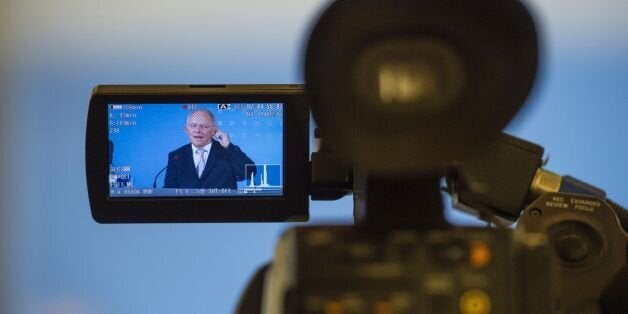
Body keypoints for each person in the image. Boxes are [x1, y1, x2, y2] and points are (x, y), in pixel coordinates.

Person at [164, 109, 255, 189]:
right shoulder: (176, 156)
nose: (197, 130)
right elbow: (169, 190)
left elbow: (249, 173)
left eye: (204, 126)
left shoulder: (227, 151)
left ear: (213, 131)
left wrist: (228, 147)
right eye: (193, 125)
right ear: (187, 129)